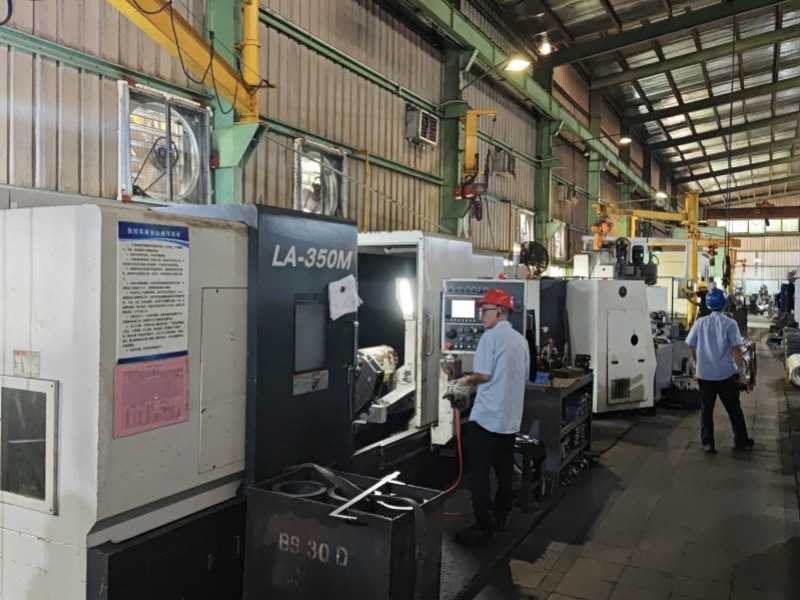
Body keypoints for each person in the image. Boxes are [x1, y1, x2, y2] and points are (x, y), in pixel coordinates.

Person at [454, 288, 530, 545]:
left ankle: (483, 527)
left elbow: (484, 375)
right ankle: (501, 516)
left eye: (485, 311)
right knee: (504, 470)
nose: (481, 316)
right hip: (509, 420)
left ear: (500, 312)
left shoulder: (490, 338)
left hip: (487, 418)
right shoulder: (520, 340)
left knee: (479, 474)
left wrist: (464, 381)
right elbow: (524, 376)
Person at [686, 287, 754, 454]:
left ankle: (708, 443)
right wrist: (742, 372)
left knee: (706, 411)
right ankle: (741, 441)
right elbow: (736, 350)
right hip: (726, 375)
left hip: (705, 375)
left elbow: (691, 345)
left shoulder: (700, 323)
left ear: (708, 305)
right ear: (725, 305)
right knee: (734, 410)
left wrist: (696, 364)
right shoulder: (730, 324)